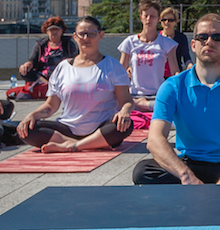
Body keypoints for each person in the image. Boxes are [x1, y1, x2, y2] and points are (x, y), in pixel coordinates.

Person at [133, 14, 220, 185]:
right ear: (193, 45)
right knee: (143, 171)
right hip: (190, 163)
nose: (209, 41)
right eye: (202, 37)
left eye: (217, 37)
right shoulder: (173, 86)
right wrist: (186, 176)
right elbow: (155, 140)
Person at [18, 17, 135, 152]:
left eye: (91, 34)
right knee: (28, 129)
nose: (86, 38)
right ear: (75, 36)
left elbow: (126, 101)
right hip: (68, 129)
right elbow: (51, 106)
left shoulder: (112, 65)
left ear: (100, 35)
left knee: (125, 125)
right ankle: (87, 144)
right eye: (82, 34)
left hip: (101, 128)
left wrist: (125, 111)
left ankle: (72, 146)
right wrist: (31, 115)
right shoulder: (63, 67)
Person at [119, 0, 180, 111]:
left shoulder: (167, 43)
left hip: (158, 95)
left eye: (152, 16)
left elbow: (174, 71)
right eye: (145, 15)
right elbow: (120, 70)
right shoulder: (129, 42)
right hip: (134, 96)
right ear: (141, 17)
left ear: (158, 19)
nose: (148, 19)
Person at [18, 17, 78, 86]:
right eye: (51, 30)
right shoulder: (41, 44)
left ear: (62, 31)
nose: (54, 32)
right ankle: (48, 84)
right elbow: (32, 60)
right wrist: (26, 65)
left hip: (63, 76)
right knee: (24, 71)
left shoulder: (68, 43)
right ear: (47, 31)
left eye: (57, 30)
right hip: (43, 77)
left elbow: (75, 60)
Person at [160, 7, 191, 72]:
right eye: (164, 19)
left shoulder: (181, 37)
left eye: (170, 20)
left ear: (176, 22)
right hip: (158, 75)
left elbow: (186, 56)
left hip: (174, 75)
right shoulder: (156, 36)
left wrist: (190, 65)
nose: (166, 22)